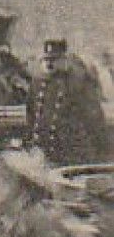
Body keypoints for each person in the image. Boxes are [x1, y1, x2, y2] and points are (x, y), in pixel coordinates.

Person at [28, 38, 109, 168]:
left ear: (64, 60)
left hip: (73, 155)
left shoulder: (79, 81)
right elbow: (31, 115)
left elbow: (94, 119)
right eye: (47, 59)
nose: (50, 63)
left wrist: (102, 151)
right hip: (45, 154)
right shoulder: (37, 82)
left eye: (54, 59)